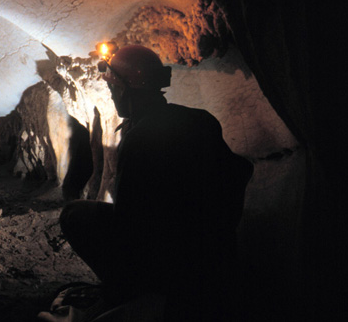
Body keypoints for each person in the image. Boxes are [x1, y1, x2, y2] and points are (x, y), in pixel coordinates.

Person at [59, 45, 253, 321]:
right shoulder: (200, 119)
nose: (112, 96)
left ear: (124, 91)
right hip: (214, 256)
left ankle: (133, 291)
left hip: (170, 267)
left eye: (113, 90)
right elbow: (240, 171)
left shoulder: (140, 138)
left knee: (75, 214)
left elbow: (129, 224)